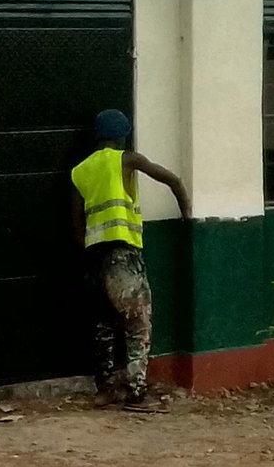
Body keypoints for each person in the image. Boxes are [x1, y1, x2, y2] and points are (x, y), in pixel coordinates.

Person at [70, 109, 191, 411]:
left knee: (104, 327)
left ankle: (105, 389)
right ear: (123, 134)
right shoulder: (128, 159)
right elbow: (172, 179)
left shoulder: (79, 171)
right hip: (123, 255)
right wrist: (186, 210)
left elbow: (77, 225)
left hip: (93, 258)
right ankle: (137, 393)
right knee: (138, 323)